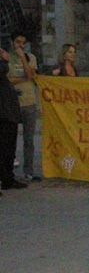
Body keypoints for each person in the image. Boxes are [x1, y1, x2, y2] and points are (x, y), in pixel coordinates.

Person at [7, 31, 40, 182]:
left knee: (29, 138)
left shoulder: (31, 57)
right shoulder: (7, 57)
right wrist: (22, 77)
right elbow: (8, 79)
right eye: (18, 42)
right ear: (12, 42)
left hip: (29, 101)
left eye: (23, 43)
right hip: (12, 102)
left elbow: (31, 75)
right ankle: (8, 169)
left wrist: (23, 58)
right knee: (9, 137)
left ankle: (29, 170)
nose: (21, 45)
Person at [0, 47, 28, 191]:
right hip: (4, 113)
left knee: (9, 148)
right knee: (4, 147)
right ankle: (6, 177)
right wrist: (4, 59)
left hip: (9, 113)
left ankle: (7, 178)